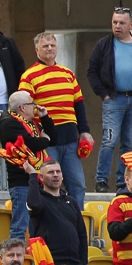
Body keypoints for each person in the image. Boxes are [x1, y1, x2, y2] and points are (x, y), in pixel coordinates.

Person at [87, 7, 132, 194]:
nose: (117, 26)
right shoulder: (104, 45)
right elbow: (91, 71)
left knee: (128, 142)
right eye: (114, 22)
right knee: (109, 141)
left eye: (122, 23)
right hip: (114, 99)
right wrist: (104, 94)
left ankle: (122, 181)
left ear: (131, 25)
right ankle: (101, 180)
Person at [18, 30, 91, 202]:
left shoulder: (68, 74)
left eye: (52, 45)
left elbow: (79, 105)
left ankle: (76, 216)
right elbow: (24, 109)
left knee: (78, 184)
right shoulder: (29, 76)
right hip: (47, 141)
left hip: (71, 139)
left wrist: (85, 131)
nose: (50, 48)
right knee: (48, 184)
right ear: (37, 50)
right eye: (45, 46)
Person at [0, 91, 52, 239]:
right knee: (20, 227)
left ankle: (34, 254)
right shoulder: (8, 122)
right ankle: (16, 253)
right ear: (22, 107)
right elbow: (31, 143)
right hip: (21, 181)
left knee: (38, 228)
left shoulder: (32, 123)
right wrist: (44, 140)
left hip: (37, 180)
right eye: (31, 104)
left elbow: (53, 137)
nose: (35, 106)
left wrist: (44, 117)